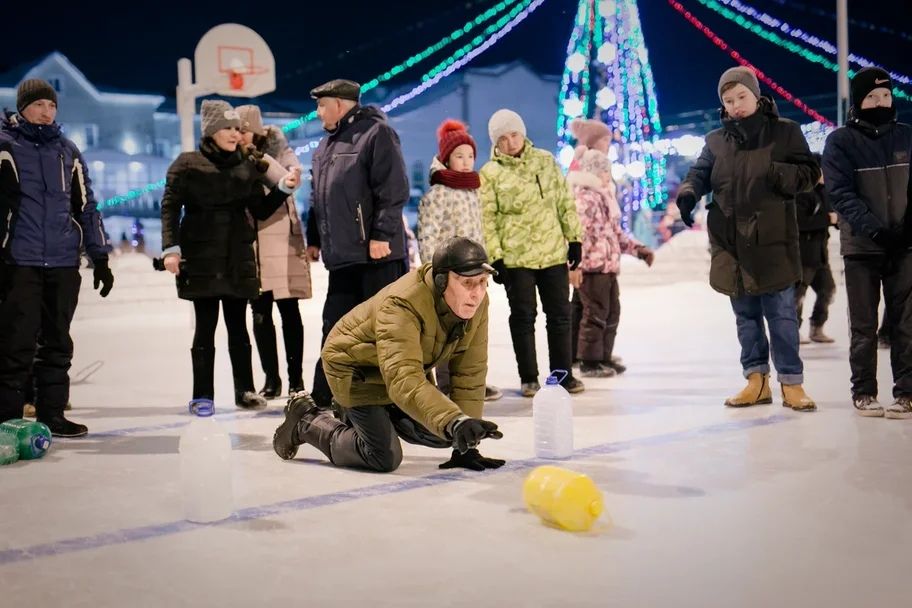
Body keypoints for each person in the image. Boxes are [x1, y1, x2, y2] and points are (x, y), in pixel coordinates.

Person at [273, 237, 504, 472]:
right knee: (383, 456)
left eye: (483, 282)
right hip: (357, 369)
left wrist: (466, 445)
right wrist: (455, 421)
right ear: (442, 281)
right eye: (467, 283)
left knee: (446, 433)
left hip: (395, 369)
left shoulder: (476, 303)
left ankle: (381, 415)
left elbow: (469, 372)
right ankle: (306, 420)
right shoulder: (403, 304)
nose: (477, 293)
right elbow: (403, 378)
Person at [675, 67, 819, 411]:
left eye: (741, 97)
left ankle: (791, 382)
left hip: (773, 241)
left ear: (756, 96)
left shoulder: (785, 133)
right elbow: (700, 173)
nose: (736, 105)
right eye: (728, 100)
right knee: (746, 317)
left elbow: (810, 173)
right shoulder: (715, 141)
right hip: (731, 243)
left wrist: (777, 172)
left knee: (783, 316)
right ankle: (756, 380)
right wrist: (689, 192)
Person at [160, 99, 300, 414]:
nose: (235, 134)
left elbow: (260, 210)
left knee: (238, 328)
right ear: (211, 131)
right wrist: (171, 249)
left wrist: (283, 189)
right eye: (228, 128)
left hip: (238, 258)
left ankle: (245, 389)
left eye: (238, 128)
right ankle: (203, 395)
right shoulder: (187, 165)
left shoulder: (246, 166)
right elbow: (169, 207)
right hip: (202, 259)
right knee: (205, 328)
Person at [0, 79, 113, 436]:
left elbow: (86, 207)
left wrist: (100, 256)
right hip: (19, 260)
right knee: (16, 343)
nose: (47, 112)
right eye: (39, 105)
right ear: (22, 108)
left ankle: (51, 415)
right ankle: (7, 420)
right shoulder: (5, 148)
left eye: (52, 106)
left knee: (57, 341)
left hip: (63, 261)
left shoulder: (68, 152)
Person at [305, 79, 410, 410]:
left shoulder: (376, 133)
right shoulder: (325, 147)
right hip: (343, 257)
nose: (318, 111)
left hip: (376, 255)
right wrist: (314, 240)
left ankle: (397, 399)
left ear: (340, 103)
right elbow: (318, 198)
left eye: (322, 105)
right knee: (334, 327)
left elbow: (393, 189)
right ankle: (323, 396)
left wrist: (381, 233)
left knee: (386, 330)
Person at [822, 67, 912, 419]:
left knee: (905, 322)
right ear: (859, 101)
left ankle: (906, 392)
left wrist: (906, 229)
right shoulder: (841, 141)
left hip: (904, 245)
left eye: (885, 96)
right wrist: (874, 230)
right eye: (872, 97)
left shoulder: (906, 136)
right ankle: (864, 391)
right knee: (863, 324)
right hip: (862, 247)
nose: (879, 102)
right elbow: (840, 193)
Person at [480, 108, 585, 397]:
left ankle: (563, 375)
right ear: (496, 143)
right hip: (516, 258)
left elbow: (565, 201)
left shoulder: (545, 161)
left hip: (552, 252)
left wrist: (574, 238)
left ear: (522, 133)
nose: (510, 143)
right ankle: (529, 378)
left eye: (514, 135)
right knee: (524, 316)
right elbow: (487, 218)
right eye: (502, 139)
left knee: (560, 315)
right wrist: (495, 256)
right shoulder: (490, 174)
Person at [417, 119, 502, 401]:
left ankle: (471, 383)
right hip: (450, 275)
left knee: (472, 330)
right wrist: (435, 272)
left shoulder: (473, 190)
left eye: (470, 156)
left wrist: (485, 267)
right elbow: (428, 235)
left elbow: (480, 232)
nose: (466, 162)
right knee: (449, 330)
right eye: (459, 156)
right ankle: (448, 384)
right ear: (446, 158)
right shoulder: (438, 193)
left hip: (474, 274)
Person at [236, 105, 311, 399]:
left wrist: (264, 159)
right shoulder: (235, 158)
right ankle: (272, 379)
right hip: (252, 243)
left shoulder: (278, 151)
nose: (239, 136)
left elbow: (291, 178)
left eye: (243, 130)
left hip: (281, 243)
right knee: (260, 313)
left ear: (256, 130)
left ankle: (296, 379)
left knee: (289, 311)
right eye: (236, 130)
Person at [567, 149, 654, 378]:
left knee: (611, 312)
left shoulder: (605, 196)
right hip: (592, 267)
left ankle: (604, 356)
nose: (608, 175)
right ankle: (589, 361)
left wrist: (638, 250)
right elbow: (579, 235)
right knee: (595, 314)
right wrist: (575, 265)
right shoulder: (585, 198)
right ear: (594, 172)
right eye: (605, 171)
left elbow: (615, 233)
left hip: (608, 267)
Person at [794, 153, 836, 344]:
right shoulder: (801, 193)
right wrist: (828, 220)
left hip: (820, 254)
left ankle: (817, 327)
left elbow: (834, 215)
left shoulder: (823, 191)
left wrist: (837, 220)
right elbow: (800, 222)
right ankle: (793, 331)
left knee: (828, 290)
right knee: (797, 296)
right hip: (803, 254)